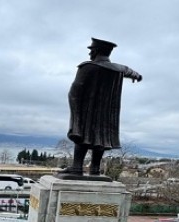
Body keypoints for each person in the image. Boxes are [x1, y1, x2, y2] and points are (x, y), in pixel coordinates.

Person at [59, 38, 142, 177]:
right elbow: (129, 71)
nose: (90, 53)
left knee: (82, 136)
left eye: (91, 50)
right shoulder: (118, 69)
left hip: (88, 112)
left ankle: (77, 168)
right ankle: (95, 169)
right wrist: (137, 76)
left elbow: (75, 91)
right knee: (100, 139)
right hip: (106, 115)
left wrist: (75, 114)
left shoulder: (87, 67)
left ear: (96, 51)